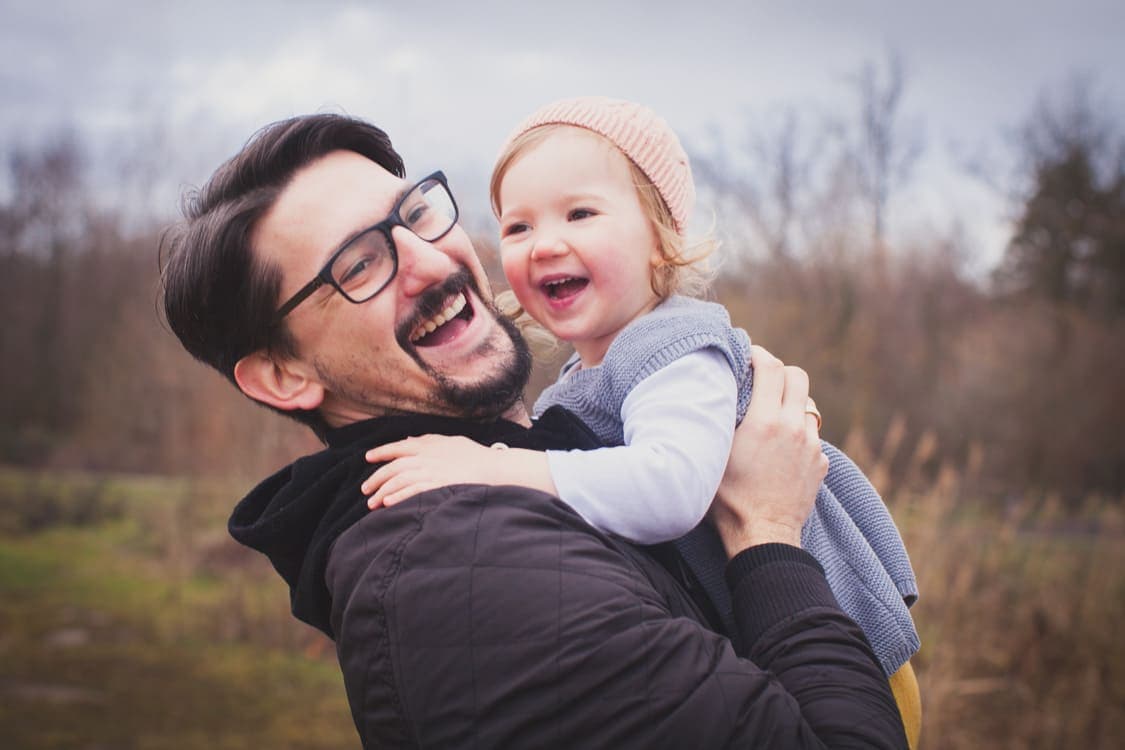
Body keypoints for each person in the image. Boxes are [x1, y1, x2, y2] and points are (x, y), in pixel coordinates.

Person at [160, 111, 910, 748]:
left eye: (415, 214)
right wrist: (768, 533)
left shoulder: (554, 441)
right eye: (360, 263)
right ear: (284, 376)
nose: (433, 260)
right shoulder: (461, 578)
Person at [360, 96, 920, 722]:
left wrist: (493, 467)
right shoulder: (586, 375)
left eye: (580, 213)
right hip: (777, 649)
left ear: (659, 240)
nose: (545, 244)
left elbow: (670, 489)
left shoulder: (676, 351)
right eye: (518, 227)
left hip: (854, 662)